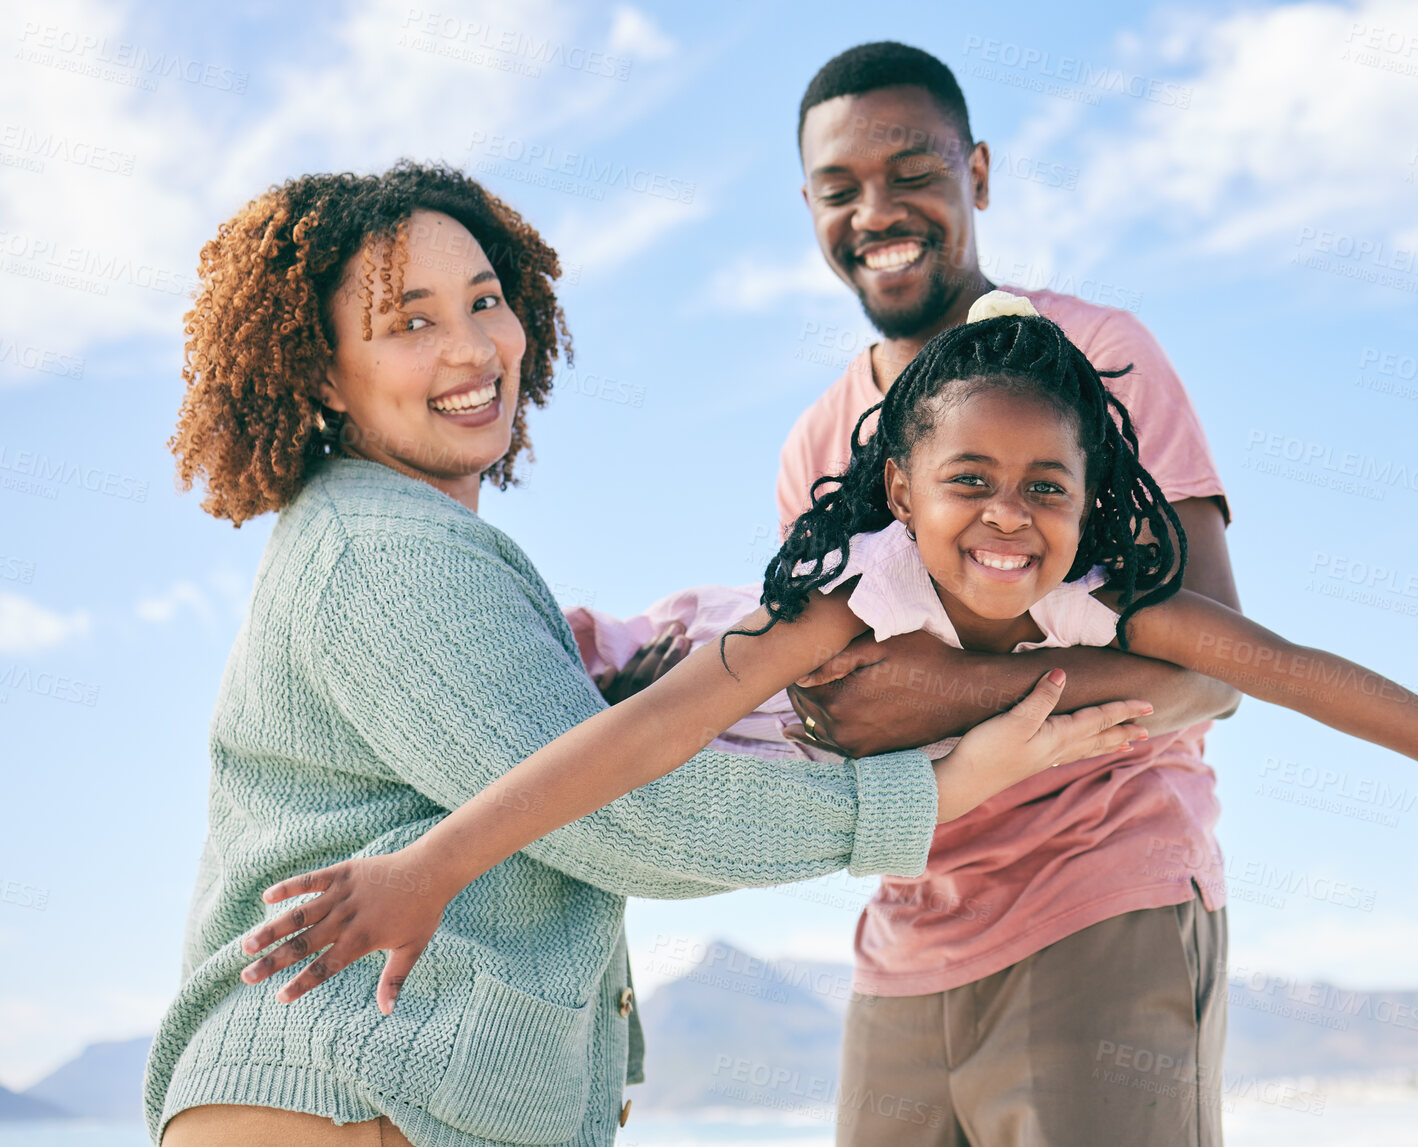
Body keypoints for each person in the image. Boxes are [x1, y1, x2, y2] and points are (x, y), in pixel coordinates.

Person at [243, 296, 1418, 1147]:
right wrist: (431, 865)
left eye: (1045, 484)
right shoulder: (848, 598)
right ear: (902, 489)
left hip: (963, 850)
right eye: (969, 478)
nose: (1008, 516)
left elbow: (1282, 665)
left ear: (1092, 503)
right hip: (657, 674)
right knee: (616, 674)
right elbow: (648, 731)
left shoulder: (1102, 609)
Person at [144, 162, 1144, 1147]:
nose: (472, 347)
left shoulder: (396, 538)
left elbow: (551, 781)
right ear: (320, 369)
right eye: (410, 321)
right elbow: (618, 813)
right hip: (338, 1097)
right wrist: (931, 792)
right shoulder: (386, 551)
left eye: (485, 301)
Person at [781, 42, 1243, 1145]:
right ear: (808, 207)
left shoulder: (1097, 352)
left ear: (977, 174)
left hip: (1102, 899)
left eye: (912, 173)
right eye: (839, 189)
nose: (876, 211)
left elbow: (1211, 671)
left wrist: (950, 685)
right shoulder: (813, 444)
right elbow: (842, 709)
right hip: (904, 938)